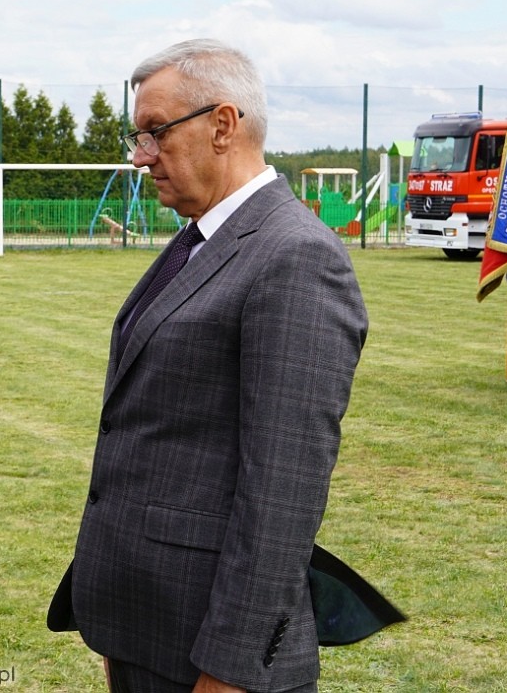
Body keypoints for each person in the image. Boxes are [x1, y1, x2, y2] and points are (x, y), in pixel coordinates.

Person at [49, 40, 369, 693]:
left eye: (155, 133)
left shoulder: (295, 257)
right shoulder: (197, 242)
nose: (140, 156)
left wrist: (230, 668)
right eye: (137, 136)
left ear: (223, 125)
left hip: (212, 656)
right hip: (147, 629)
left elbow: (282, 494)